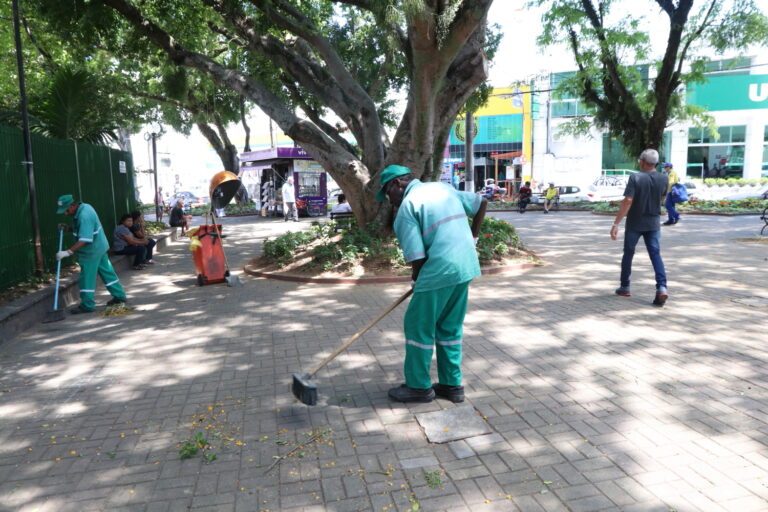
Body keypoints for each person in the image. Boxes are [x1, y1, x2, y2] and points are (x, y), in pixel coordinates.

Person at [376, 165, 487, 403]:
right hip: (465, 266)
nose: (388, 200)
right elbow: (480, 203)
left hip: (439, 269)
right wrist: (473, 239)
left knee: (418, 326)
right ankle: (451, 385)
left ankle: (418, 387)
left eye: (387, 193)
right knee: (449, 327)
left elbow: (417, 257)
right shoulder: (442, 188)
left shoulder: (407, 208)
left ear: (397, 184)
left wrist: (418, 280)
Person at [610, 149, 669, 306]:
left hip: (635, 223)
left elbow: (628, 200)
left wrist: (616, 223)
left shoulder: (635, 177)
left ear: (642, 161)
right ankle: (662, 287)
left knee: (628, 254)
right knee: (655, 254)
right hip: (653, 223)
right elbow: (662, 197)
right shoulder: (664, 178)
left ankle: (625, 286)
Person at [55, 194, 127, 314]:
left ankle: (87, 305)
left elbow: (84, 239)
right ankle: (119, 296)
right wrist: (69, 228)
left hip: (91, 252)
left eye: (67, 210)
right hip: (100, 247)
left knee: (86, 278)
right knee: (107, 273)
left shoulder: (84, 215)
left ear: (73, 205)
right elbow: (85, 229)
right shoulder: (85, 207)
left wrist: (67, 252)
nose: (66, 213)